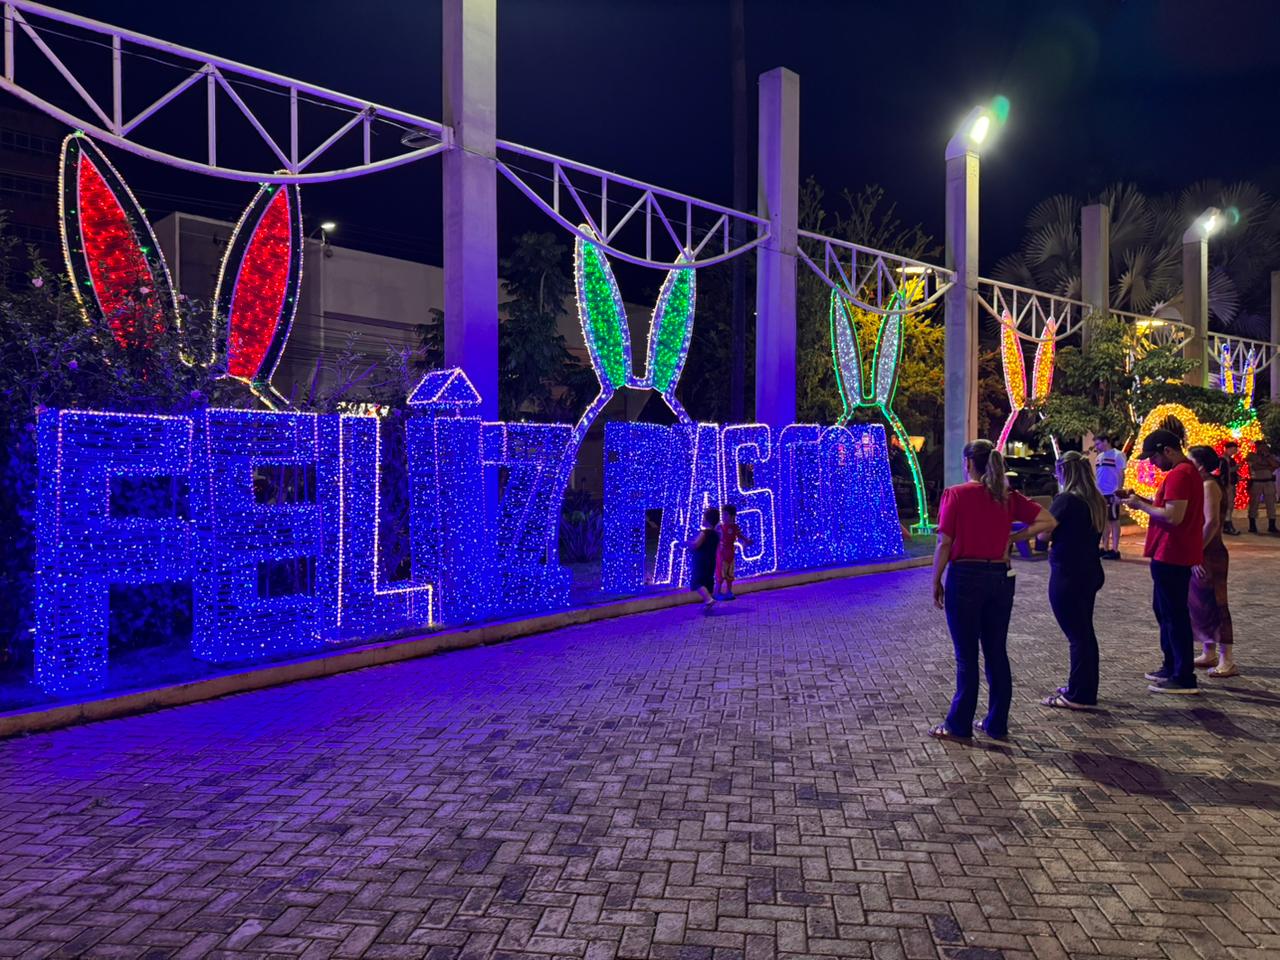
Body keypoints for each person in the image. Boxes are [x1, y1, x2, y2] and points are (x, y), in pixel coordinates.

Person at [929, 439, 1056, 740]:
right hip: (999, 577)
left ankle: (958, 724)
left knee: (966, 656)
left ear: (968, 463)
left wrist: (936, 579)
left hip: (966, 576)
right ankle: (996, 722)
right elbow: (1047, 520)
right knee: (996, 651)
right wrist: (1013, 538)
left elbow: (945, 542)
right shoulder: (1006, 496)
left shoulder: (956, 494)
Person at [1124, 429, 1204, 695]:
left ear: (1167, 450)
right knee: (1165, 611)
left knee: (1174, 614)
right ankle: (1172, 666)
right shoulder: (1185, 472)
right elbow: (1170, 508)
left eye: (1154, 457)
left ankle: (1183, 675)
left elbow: (1173, 516)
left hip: (1172, 553)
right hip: (1170, 552)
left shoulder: (1180, 474)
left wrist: (1141, 506)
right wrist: (1141, 501)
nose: (1153, 463)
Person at [1040, 451, 1107, 710]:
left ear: (1064, 472)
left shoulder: (1066, 500)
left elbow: (1044, 534)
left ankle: (1080, 694)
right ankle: (1083, 685)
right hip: (1089, 570)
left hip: (1068, 572)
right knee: (1084, 632)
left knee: (1077, 635)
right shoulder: (1095, 500)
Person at [1187, 447, 1238, 678]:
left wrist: (1197, 552)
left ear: (1199, 464)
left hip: (1211, 552)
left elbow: (1212, 523)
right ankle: (1208, 651)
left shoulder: (1209, 486)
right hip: (1203, 550)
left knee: (1217, 604)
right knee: (1201, 603)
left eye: (1190, 460)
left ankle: (1227, 659)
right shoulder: (1203, 484)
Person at [1093, 434, 1127, 559]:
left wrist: (1118, 491)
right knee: (1104, 521)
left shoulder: (1117, 455)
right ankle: (1105, 547)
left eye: (1098, 443)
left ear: (1106, 441)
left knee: (1114, 520)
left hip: (1112, 492)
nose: (1096, 447)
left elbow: (1121, 474)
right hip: (1101, 493)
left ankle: (1115, 549)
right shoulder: (1099, 457)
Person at [715, 504, 753, 600]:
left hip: (730, 554)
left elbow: (740, 535)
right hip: (721, 554)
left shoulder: (735, 527)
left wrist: (747, 541)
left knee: (730, 574)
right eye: (722, 514)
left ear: (732, 516)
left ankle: (729, 591)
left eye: (726, 514)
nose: (723, 517)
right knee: (720, 574)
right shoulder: (720, 527)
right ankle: (717, 592)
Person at [686, 506, 721, 609]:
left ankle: (709, 600)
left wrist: (687, 544)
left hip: (701, 561)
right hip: (711, 560)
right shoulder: (716, 534)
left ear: (708, 520)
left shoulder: (704, 533)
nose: (702, 520)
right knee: (707, 580)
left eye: (704, 518)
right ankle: (708, 600)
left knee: (696, 582)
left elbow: (696, 545)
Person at [1245, 440, 1279, 534]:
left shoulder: (1269, 456)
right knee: (1254, 504)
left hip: (1269, 482)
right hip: (1257, 482)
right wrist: (1268, 466)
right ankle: (1252, 526)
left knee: (1271, 504)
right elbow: (1254, 466)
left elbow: (1276, 465)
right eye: (1261, 446)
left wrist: (1267, 457)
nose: (1263, 448)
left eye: (1264, 446)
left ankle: (1272, 526)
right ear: (1257, 447)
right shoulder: (1251, 455)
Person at [1221, 440, 1241, 536]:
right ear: (1227, 449)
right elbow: (1224, 472)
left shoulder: (1231, 459)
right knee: (1228, 505)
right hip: (1227, 486)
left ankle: (1227, 524)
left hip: (1231, 485)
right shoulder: (1223, 460)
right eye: (1233, 449)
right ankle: (1227, 524)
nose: (1234, 452)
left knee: (1230, 505)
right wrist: (1234, 469)